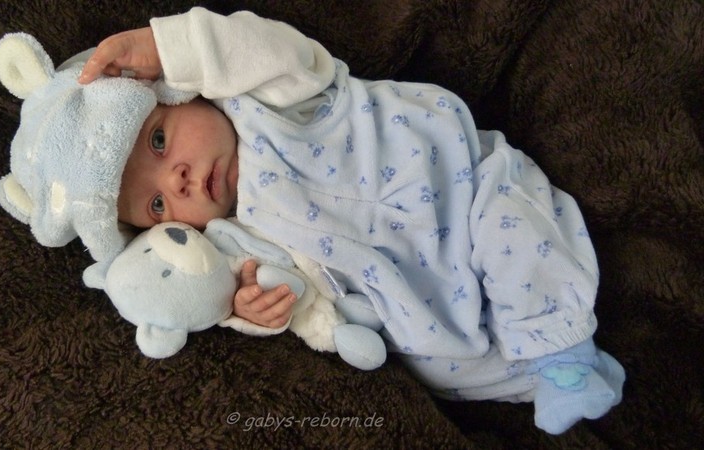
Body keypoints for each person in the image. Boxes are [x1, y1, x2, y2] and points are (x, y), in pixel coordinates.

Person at [74, 7, 624, 434]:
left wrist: (166, 48)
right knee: (437, 360)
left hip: (459, 188)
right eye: (157, 206)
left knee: (517, 231)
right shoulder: (232, 236)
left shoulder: (265, 99)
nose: (177, 180)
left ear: (179, 94)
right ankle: (537, 381)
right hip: (413, 286)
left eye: (160, 141)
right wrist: (246, 308)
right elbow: (285, 295)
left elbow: (255, 46)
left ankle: (563, 353)